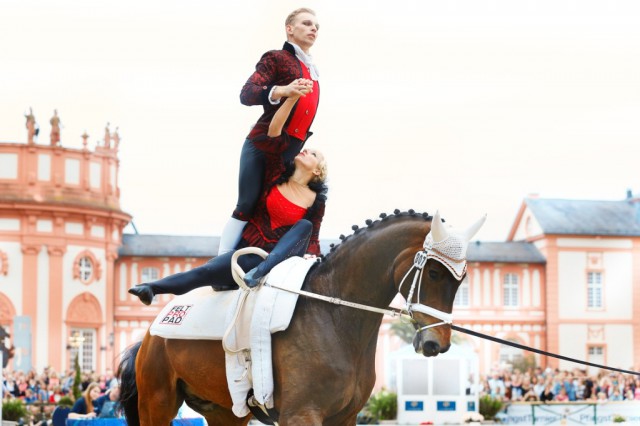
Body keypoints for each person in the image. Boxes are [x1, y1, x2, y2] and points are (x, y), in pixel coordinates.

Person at [129, 88, 327, 304]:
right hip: (252, 253)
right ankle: (151, 288)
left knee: (304, 226)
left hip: (283, 260)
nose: (306, 151)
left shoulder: (316, 201)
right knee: (206, 271)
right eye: (307, 149)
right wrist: (291, 99)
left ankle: (261, 271)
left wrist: (313, 259)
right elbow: (273, 134)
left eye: (313, 154)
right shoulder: (275, 175)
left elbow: (313, 237)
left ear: (318, 171)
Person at [218, 7, 321, 256]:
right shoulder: (276, 58)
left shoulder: (312, 69)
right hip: (263, 143)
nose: (313, 29)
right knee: (246, 205)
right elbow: (247, 93)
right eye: (306, 23)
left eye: (316, 26)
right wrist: (281, 91)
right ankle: (219, 264)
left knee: (274, 209)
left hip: (292, 149)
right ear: (289, 28)